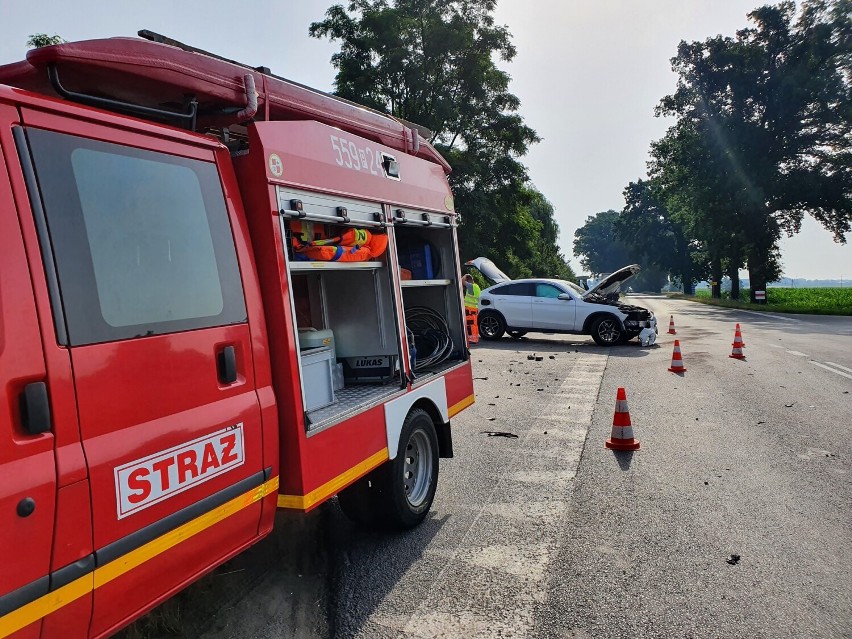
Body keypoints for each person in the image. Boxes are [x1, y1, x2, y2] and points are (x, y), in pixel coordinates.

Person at [462, 274, 481, 344]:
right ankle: (475, 338)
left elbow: (461, 281)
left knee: (470, 325)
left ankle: (471, 339)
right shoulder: (477, 287)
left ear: (468, 281)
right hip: (474, 309)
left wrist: (465, 275)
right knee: (474, 325)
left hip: (470, 309)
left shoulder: (471, 286)